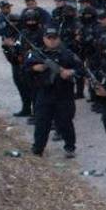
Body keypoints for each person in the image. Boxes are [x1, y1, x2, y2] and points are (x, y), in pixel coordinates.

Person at [26, 27, 80, 159]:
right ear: (44, 39)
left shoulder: (67, 54)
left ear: (58, 39)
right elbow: (25, 68)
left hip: (64, 94)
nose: (51, 41)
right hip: (44, 93)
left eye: (54, 38)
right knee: (41, 122)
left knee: (65, 122)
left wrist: (70, 72)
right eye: (49, 38)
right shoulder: (37, 54)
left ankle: (70, 147)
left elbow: (81, 70)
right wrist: (36, 67)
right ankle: (38, 148)